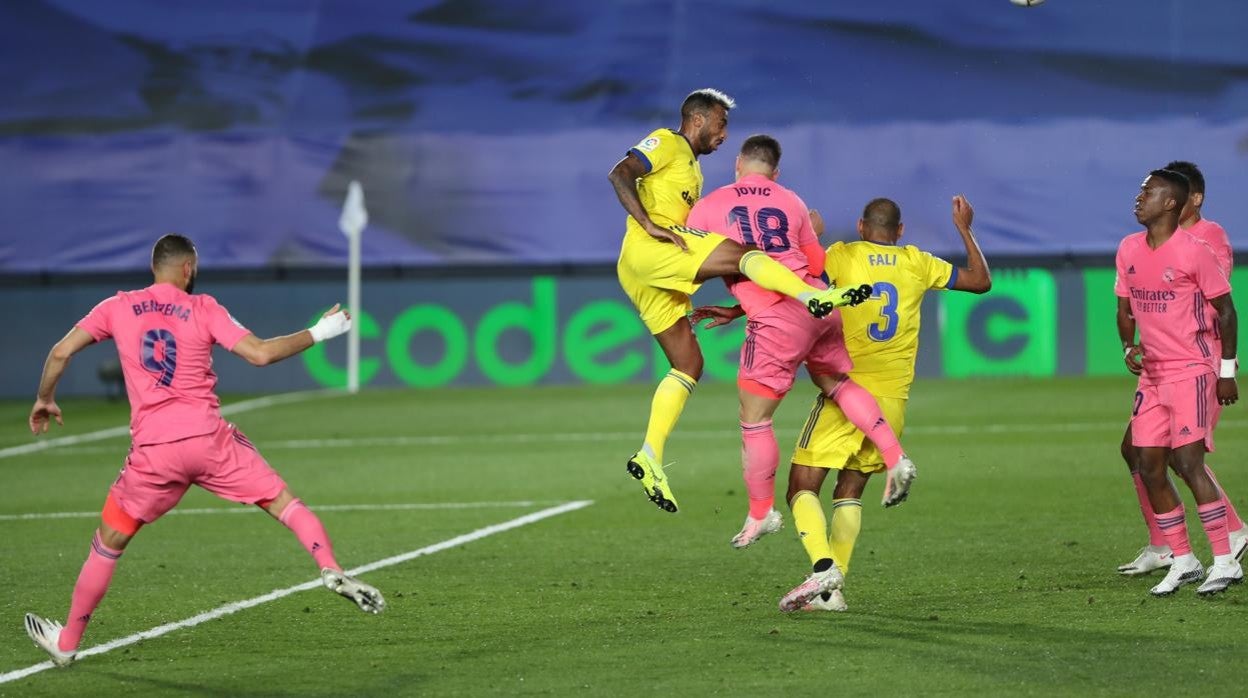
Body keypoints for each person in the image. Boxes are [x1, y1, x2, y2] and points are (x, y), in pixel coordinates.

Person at [23, 234, 384, 668]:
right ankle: (329, 567)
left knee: (109, 543)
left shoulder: (116, 307)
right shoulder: (203, 308)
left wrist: (45, 398)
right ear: (188, 269)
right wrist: (323, 330)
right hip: (210, 442)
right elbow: (261, 355)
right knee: (284, 503)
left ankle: (68, 642)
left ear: (155, 267)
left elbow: (61, 352)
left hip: (154, 453)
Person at [608, 89, 869, 513]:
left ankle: (649, 456)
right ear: (696, 120)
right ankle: (816, 296)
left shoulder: (691, 169)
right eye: (720, 123)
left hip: (643, 268)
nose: (724, 134)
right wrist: (648, 226)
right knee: (748, 254)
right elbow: (619, 173)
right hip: (649, 248)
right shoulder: (667, 142)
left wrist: (736, 305)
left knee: (688, 364)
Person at [685, 135, 915, 612]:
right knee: (838, 383)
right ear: (775, 169)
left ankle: (760, 513)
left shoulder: (711, 205)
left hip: (776, 320)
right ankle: (896, 457)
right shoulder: (790, 200)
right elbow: (811, 265)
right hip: (820, 308)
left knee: (756, 419)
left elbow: (692, 266)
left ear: (736, 165)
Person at [1116, 160, 1247, 576]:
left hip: (1199, 359)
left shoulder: (1208, 240)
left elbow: (1215, 303)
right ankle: (1166, 544)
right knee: (1140, 450)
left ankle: (1229, 535)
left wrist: (1225, 368)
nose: (1146, 197)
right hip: (1161, 362)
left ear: (1192, 199)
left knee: (1181, 457)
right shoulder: (1142, 244)